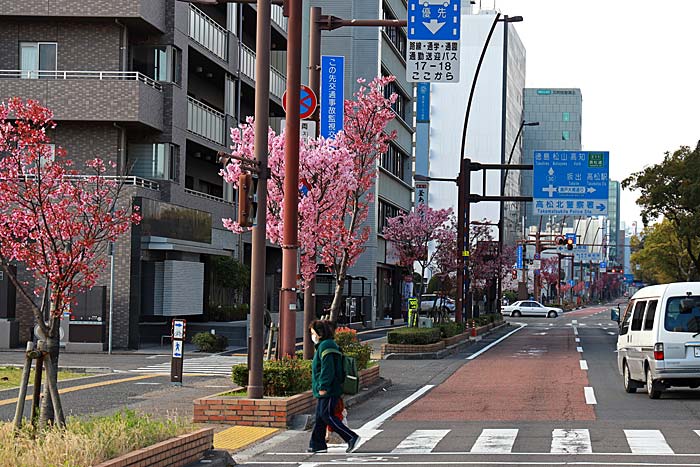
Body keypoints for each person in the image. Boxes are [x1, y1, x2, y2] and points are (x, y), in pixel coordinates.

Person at [308, 320, 360, 454]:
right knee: (320, 416)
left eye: (313, 333)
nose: (312, 336)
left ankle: (351, 437)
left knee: (326, 415)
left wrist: (323, 386)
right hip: (327, 388)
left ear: (319, 333)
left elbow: (327, 369)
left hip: (329, 389)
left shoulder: (326, 346)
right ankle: (317, 444)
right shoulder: (325, 345)